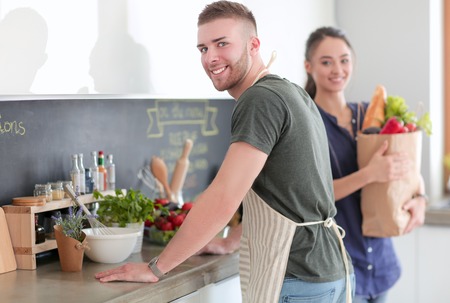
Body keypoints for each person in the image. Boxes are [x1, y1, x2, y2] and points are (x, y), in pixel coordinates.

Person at [95, 2, 355, 302]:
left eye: (222, 44)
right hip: (329, 272)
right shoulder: (290, 91)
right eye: (203, 48)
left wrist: (156, 268)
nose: (211, 58)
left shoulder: (259, 100)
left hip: (297, 277)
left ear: (253, 45)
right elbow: (291, 198)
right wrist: (231, 240)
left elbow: (224, 197)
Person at [303, 26, 427, 303]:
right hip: (339, 269)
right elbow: (311, 197)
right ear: (308, 66)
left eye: (344, 60)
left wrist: (420, 197)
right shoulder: (306, 124)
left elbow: (406, 168)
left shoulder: (372, 115)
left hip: (381, 265)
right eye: (326, 61)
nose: (337, 69)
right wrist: (370, 174)